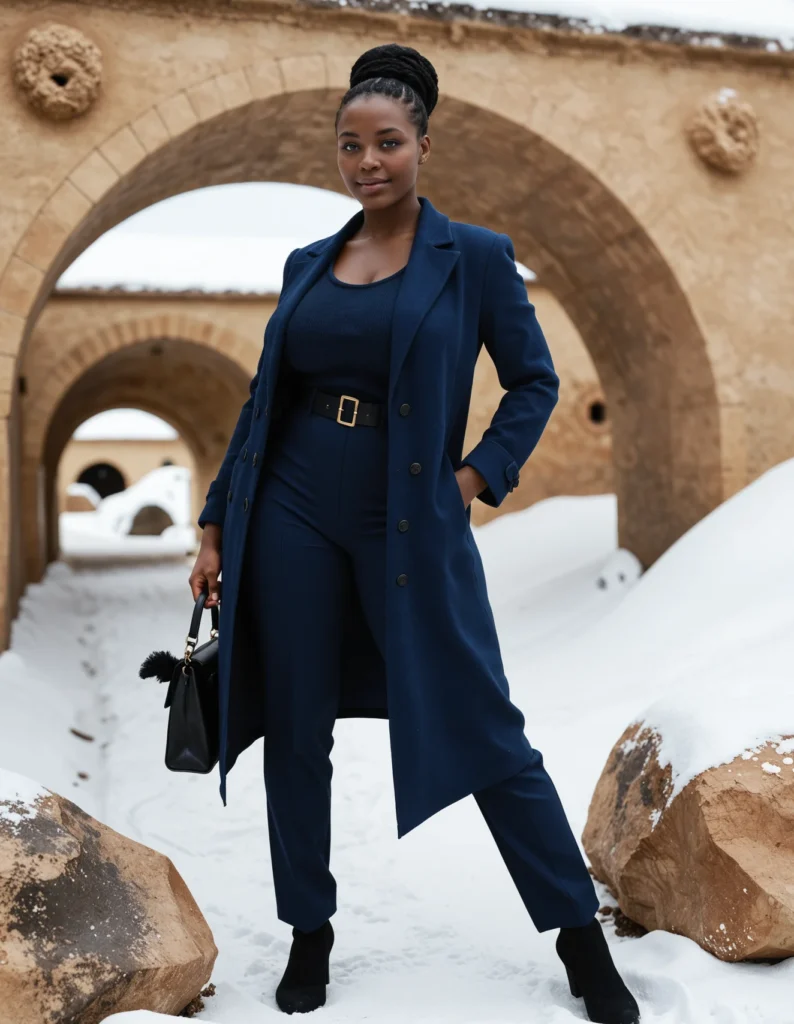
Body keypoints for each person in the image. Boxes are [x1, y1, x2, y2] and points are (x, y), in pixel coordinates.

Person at [189, 42, 641, 1024]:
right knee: (295, 729)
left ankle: (576, 938)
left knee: (483, 725)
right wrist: (219, 520)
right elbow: (266, 397)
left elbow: (534, 379)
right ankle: (308, 929)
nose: (366, 161)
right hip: (293, 505)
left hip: (411, 516)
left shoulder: (471, 256)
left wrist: (474, 476)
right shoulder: (307, 264)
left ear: (423, 144)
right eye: (348, 144)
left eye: (386, 142)